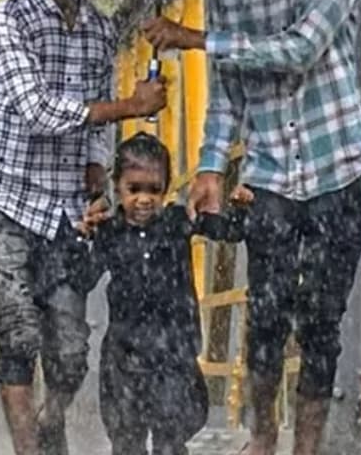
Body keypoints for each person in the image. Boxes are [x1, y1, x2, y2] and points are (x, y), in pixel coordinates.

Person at [142, 0, 361, 455]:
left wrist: (194, 37)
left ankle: (308, 447)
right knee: (266, 315)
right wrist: (211, 167)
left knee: (322, 320)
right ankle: (264, 434)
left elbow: (301, 48)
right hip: (270, 171)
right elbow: (227, 94)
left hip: (337, 166)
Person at [0, 0, 167, 455]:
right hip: (1, 197)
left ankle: (50, 420)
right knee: (20, 331)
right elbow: (38, 110)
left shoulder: (101, 29)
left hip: (62, 207)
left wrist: (99, 168)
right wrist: (133, 106)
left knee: (72, 351)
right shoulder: (6, 21)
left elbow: (98, 121)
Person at [79, 134, 247, 455]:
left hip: (174, 353)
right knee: (127, 441)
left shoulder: (175, 221)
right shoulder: (110, 232)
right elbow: (82, 277)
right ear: (117, 188)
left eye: (154, 190)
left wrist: (239, 210)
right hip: (125, 357)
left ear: (167, 188)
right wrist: (80, 236)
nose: (144, 199)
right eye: (134, 189)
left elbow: (228, 231)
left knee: (171, 439)